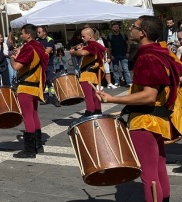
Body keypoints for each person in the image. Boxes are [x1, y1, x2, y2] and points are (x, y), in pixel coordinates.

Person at [97, 16, 181, 202]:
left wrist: (113, 99)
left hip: (145, 121)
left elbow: (149, 95)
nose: (130, 29)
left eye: (133, 26)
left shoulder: (149, 57)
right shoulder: (162, 53)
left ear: (142, 33)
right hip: (158, 119)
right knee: (159, 168)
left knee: (149, 175)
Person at [11, 24, 48, 158]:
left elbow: (16, 67)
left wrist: (12, 57)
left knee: (27, 117)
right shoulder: (39, 47)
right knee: (34, 115)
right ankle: (38, 145)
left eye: (22, 33)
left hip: (26, 87)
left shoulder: (29, 47)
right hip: (35, 86)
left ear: (28, 34)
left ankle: (30, 150)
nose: (21, 36)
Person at [69, 28, 105, 117]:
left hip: (87, 75)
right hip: (92, 74)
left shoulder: (92, 45)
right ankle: (97, 111)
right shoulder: (94, 45)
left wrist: (74, 52)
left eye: (83, 36)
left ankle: (90, 112)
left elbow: (84, 53)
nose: (82, 38)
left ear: (90, 36)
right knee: (93, 95)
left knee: (88, 96)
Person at [108, 22, 133, 87]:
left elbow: (128, 44)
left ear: (119, 28)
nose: (116, 28)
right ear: (112, 28)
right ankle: (117, 82)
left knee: (125, 69)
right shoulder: (110, 36)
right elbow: (109, 47)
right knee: (115, 69)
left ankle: (129, 82)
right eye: (114, 27)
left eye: (117, 27)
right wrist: (110, 55)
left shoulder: (123, 35)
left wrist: (128, 52)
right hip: (114, 55)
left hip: (123, 54)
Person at [36, 26, 56, 105]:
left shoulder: (49, 40)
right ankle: (45, 98)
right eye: (37, 32)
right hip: (40, 64)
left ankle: (55, 97)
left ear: (44, 32)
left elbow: (47, 51)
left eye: (39, 32)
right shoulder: (37, 41)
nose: (37, 34)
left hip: (48, 64)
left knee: (50, 81)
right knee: (43, 82)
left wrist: (39, 50)